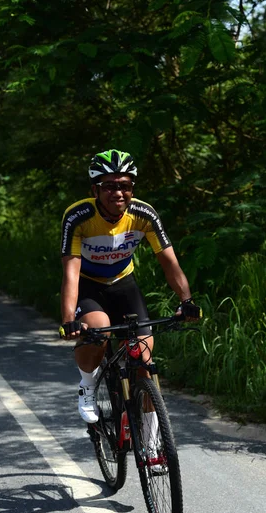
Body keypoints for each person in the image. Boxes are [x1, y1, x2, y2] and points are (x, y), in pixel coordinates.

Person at [59, 149, 201, 426]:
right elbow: (71, 273)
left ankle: (151, 441)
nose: (118, 193)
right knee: (97, 333)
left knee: (144, 361)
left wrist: (186, 300)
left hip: (124, 284)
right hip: (89, 286)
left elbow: (169, 262)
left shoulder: (143, 214)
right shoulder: (79, 216)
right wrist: (69, 320)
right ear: (95, 190)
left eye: (125, 186)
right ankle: (87, 385)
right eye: (109, 186)